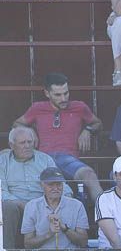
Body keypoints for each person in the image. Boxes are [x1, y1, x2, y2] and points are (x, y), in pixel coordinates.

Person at [14, 73, 104, 205]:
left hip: (68, 159)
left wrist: (88, 130)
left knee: (89, 175)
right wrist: (30, 132)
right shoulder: (37, 108)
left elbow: (98, 123)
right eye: (58, 95)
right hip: (42, 159)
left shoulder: (79, 107)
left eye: (66, 93)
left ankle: (107, 216)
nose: (63, 98)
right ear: (47, 93)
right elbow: (17, 123)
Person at [0, 126, 56, 249]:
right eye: (22, 143)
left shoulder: (45, 159)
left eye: (30, 142)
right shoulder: (2, 161)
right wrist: (21, 203)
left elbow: (59, 184)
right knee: (7, 206)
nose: (27, 146)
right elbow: (1, 191)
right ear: (11, 145)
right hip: (15, 205)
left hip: (42, 203)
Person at [20, 166, 89, 250]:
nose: (56, 188)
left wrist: (65, 228)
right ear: (42, 185)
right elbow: (27, 244)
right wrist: (49, 234)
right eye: (51, 184)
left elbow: (83, 242)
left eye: (59, 184)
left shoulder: (77, 205)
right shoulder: (31, 206)